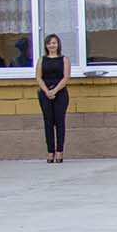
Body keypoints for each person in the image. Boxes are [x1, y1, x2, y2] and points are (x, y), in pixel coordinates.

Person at [34, 34, 70, 163]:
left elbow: (66, 77)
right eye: (49, 43)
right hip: (45, 94)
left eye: (54, 43)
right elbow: (38, 77)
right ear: (46, 45)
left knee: (60, 123)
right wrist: (47, 91)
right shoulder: (41, 60)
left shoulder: (64, 59)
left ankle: (60, 151)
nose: (51, 45)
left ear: (58, 44)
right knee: (48, 122)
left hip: (60, 93)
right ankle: (50, 152)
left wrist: (55, 91)